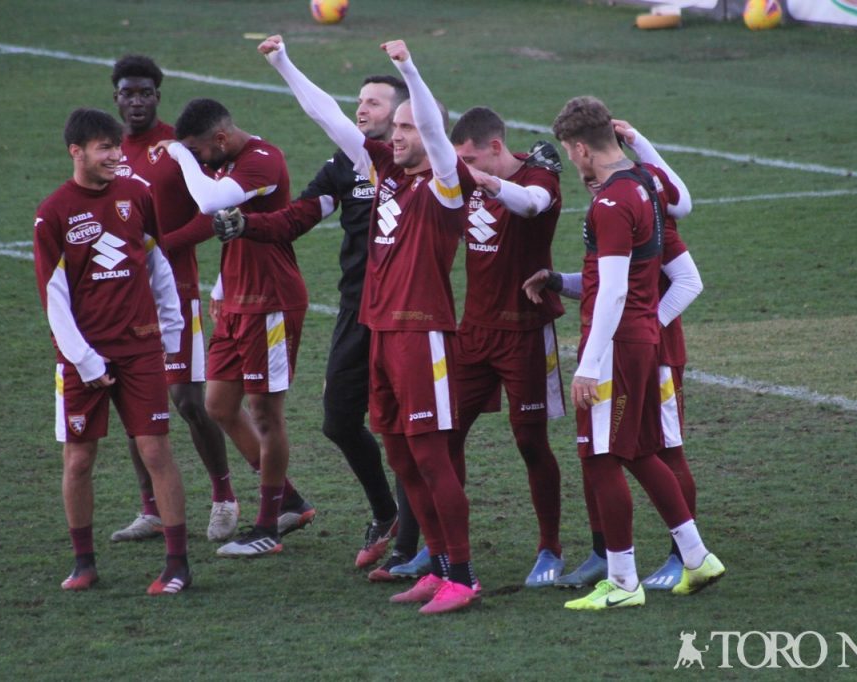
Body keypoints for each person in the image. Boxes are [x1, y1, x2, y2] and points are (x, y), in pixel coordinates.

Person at [256, 35, 480, 613]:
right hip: (379, 333)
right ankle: (434, 562)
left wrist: (408, 67)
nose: (396, 135)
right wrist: (283, 63)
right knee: (402, 458)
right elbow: (328, 117)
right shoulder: (385, 172)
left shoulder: (446, 186)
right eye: (393, 127)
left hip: (422, 334)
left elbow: (433, 128)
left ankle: (463, 574)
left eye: (407, 127)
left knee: (430, 456)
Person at [541, 96, 723, 610]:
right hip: (640, 340)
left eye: (570, 153)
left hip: (619, 345)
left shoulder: (612, 202)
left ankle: (623, 582)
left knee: (600, 458)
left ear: (580, 148)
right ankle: (696, 555)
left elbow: (614, 290)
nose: (572, 162)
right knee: (640, 451)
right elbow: (680, 200)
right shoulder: (644, 182)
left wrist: (589, 364)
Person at [153, 98, 320, 557]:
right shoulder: (230, 162)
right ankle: (290, 502)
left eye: (200, 150)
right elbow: (224, 229)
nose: (199, 158)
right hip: (236, 303)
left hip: (271, 302)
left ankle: (267, 526)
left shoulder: (264, 160)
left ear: (220, 139)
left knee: (266, 413)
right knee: (219, 405)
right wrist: (223, 289)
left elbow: (209, 204)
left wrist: (179, 154)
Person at [34, 107, 190, 595]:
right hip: (84, 357)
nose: (116, 156)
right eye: (105, 148)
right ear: (76, 152)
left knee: (155, 449)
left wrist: (172, 329)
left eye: (117, 147)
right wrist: (85, 359)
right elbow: (53, 298)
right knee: (78, 459)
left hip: (141, 347)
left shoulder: (136, 195)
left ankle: (178, 564)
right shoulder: (53, 213)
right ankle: (84, 563)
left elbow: (158, 262)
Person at [108, 54, 239, 544]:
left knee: (187, 399)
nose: (137, 101)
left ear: (158, 96)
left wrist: (166, 248)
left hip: (176, 292)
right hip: (122, 295)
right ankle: (151, 509)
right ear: (116, 97)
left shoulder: (178, 148)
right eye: (128, 92)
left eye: (145, 93)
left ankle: (224, 497)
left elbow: (215, 211)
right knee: (131, 400)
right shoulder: (111, 151)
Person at [447, 107, 567, 587]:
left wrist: (484, 182)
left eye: (473, 158)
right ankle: (444, 549)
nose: (466, 168)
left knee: (530, 440)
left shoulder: (541, 177)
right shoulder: (472, 175)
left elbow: (533, 203)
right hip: (473, 331)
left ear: (495, 148)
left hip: (525, 332)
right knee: (444, 436)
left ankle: (550, 549)